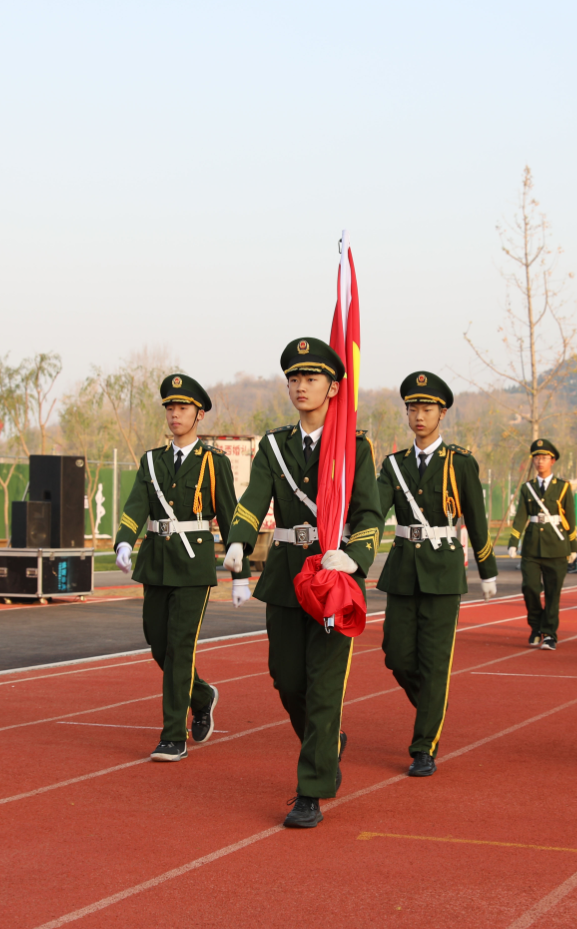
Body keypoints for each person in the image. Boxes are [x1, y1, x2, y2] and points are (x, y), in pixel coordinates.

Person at [222, 337, 381, 830]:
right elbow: (254, 498)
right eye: (293, 378)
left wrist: (355, 559)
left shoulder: (354, 446)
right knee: (287, 678)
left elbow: (370, 512)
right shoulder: (274, 445)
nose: (300, 386)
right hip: (289, 575)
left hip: (332, 574)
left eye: (311, 378)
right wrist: (238, 541)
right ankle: (327, 742)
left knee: (324, 688)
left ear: (334, 387)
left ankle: (312, 787)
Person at [114, 373, 248, 763]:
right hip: (156, 561)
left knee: (180, 649)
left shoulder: (213, 462)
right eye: (170, 407)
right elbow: (137, 503)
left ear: (199, 415)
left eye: (183, 408)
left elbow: (229, 515)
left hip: (193, 565)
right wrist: (124, 539)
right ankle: (202, 695)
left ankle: (173, 735)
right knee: (158, 642)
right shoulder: (152, 461)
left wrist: (239, 575)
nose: (175, 414)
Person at [373, 371, 497, 778]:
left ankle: (424, 745)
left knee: (435, 662)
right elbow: (375, 510)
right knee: (397, 656)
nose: (419, 415)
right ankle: (433, 707)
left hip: (443, 570)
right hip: (404, 569)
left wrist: (487, 569)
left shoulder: (460, 462)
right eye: (413, 407)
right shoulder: (394, 465)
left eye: (427, 408)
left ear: (442, 413)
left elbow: (476, 518)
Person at [506, 439, 577, 650]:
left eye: (544, 458)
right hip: (532, 546)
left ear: (552, 460)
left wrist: (573, 546)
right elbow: (521, 516)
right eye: (537, 458)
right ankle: (536, 626)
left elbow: (571, 517)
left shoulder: (564, 487)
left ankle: (549, 633)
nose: (540, 461)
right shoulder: (527, 488)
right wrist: (514, 541)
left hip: (557, 546)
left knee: (552, 592)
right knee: (529, 587)